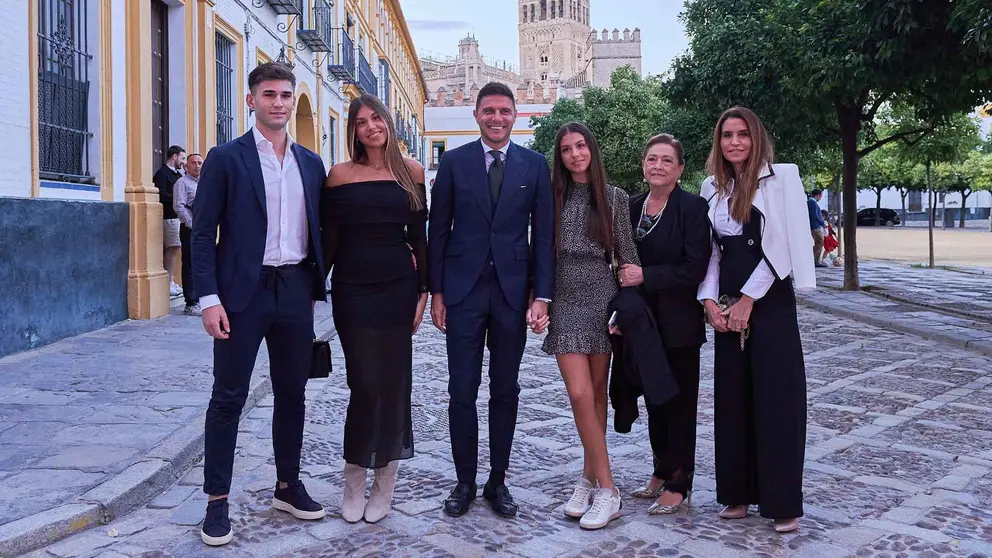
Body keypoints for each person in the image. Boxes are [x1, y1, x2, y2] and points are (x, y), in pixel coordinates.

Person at [191, 62, 328, 546]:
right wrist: (209, 299)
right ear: (251, 100)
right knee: (228, 397)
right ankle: (216, 502)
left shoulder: (311, 164)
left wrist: (318, 287)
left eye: (286, 95)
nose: (278, 102)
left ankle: (288, 486)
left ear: (293, 102)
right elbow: (203, 234)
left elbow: (322, 230)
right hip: (239, 295)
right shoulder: (226, 159)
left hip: (294, 291)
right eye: (268, 94)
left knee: (293, 394)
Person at [427, 81, 554, 519]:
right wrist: (437, 292)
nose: (496, 118)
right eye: (489, 111)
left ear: (515, 116)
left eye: (504, 111)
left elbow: (545, 235)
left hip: (512, 295)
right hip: (462, 292)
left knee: (505, 389)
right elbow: (437, 230)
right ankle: (464, 481)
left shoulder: (535, 165)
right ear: (476, 115)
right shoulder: (455, 162)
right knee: (461, 391)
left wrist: (543, 295)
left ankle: (497, 481)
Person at [697, 107, 815, 533]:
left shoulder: (782, 177)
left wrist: (749, 298)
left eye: (742, 134)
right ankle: (737, 494)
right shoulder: (711, 186)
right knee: (732, 399)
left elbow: (783, 244)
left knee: (777, 400)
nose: (734, 142)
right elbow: (713, 252)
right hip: (728, 306)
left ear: (756, 137)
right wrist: (709, 300)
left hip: (771, 302)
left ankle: (783, 502)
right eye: (726, 135)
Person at [322, 94, 428, 524]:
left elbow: (420, 239)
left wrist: (424, 293)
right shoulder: (339, 175)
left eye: (376, 118)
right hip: (352, 289)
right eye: (361, 121)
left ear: (388, 122)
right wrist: (308, 288)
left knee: (394, 382)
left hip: (398, 290)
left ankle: (386, 477)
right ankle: (353, 476)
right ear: (353, 130)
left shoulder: (413, 173)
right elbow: (328, 239)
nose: (371, 126)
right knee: (363, 383)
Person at [540, 122, 636, 529]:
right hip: (564, 302)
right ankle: (610, 490)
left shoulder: (614, 199)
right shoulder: (550, 199)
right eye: (566, 149)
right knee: (579, 394)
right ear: (559, 158)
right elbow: (539, 253)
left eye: (581, 146)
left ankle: (588, 478)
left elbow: (628, 256)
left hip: (601, 303)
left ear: (592, 151)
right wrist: (538, 298)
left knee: (597, 395)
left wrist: (627, 302)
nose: (575, 154)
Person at [615, 133, 712, 515]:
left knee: (679, 403)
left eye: (667, 160)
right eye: (652, 158)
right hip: (641, 322)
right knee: (654, 398)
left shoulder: (692, 208)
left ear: (680, 168)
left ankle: (679, 481)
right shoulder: (632, 206)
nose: (658, 165)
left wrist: (645, 277)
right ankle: (659, 469)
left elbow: (694, 268)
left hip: (679, 323)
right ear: (643, 164)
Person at [154, 145, 186, 297]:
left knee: (175, 248)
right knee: (173, 248)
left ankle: (171, 280)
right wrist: (177, 199)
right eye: (182, 158)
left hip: (178, 217)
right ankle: (168, 282)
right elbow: (161, 194)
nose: (183, 162)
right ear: (174, 156)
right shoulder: (162, 173)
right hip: (169, 216)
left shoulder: (179, 176)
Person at [174, 153, 203, 316]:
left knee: (201, 262)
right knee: (190, 263)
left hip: (203, 229)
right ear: (186, 166)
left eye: (200, 163)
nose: (197, 166)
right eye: (194, 163)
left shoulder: (203, 183)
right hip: (190, 228)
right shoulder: (182, 183)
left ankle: (200, 298)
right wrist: (191, 224)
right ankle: (191, 302)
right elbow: (179, 206)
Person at [808, 189, 827, 267]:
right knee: (819, 242)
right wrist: (822, 223)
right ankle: (814, 260)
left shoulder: (810, 202)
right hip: (816, 226)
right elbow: (815, 216)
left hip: (814, 226)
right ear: (818, 195)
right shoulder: (812, 203)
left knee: (819, 243)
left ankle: (815, 260)